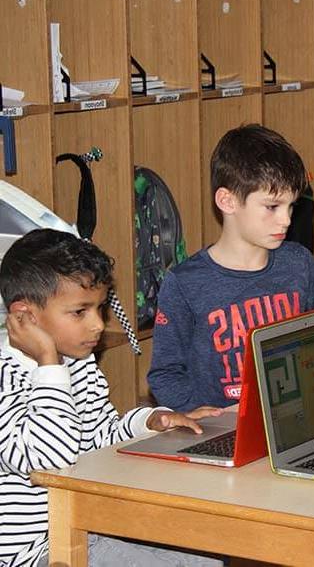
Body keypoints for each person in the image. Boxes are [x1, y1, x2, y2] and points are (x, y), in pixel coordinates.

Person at [0, 229, 223, 567]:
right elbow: (49, 461)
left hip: (88, 523)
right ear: (25, 317)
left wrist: (150, 422)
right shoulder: (8, 376)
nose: (98, 325)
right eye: (80, 312)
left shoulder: (78, 363)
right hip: (35, 553)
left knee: (206, 553)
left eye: (100, 308)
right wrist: (48, 361)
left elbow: (100, 436)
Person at [147, 124, 314, 411]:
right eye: (272, 207)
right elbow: (165, 374)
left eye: (291, 207)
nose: (286, 221)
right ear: (227, 201)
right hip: (224, 428)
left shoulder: (299, 263)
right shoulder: (184, 283)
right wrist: (194, 414)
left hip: (296, 416)